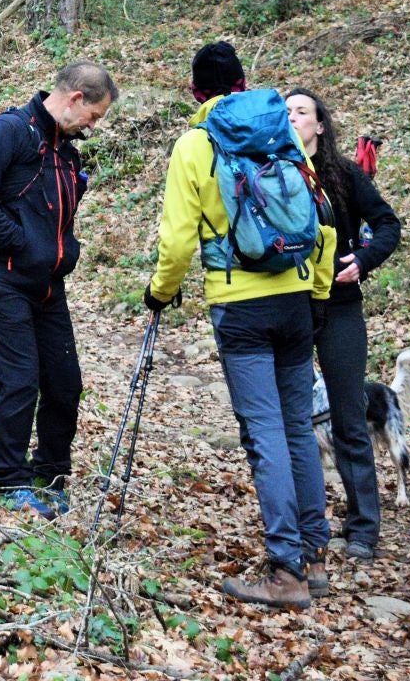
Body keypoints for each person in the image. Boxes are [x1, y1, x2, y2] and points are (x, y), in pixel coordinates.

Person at [144, 42, 335, 609]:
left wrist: (161, 292)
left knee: (264, 433)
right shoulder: (280, 129)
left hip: (241, 306)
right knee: (298, 426)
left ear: (195, 92)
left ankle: (286, 571)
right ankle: (316, 556)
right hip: (298, 296)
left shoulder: (195, 144)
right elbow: (319, 218)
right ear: (244, 82)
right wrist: (317, 291)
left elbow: (178, 240)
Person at [0, 61, 118, 519]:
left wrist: (61, 253)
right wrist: (22, 243)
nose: (93, 125)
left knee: (65, 384)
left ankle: (51, 476)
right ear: (75, 99)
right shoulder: (9, 132)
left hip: (47, 285)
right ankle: (9, 480)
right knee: (21, 380)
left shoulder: (67, 152)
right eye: (95, 115)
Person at [286, 88, 402, 564]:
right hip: (288, 306)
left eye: (301, 112)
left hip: (339, 305)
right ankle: (302, 524)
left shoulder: (346, 174)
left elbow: (388, 224)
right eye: (286, 112)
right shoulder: (272, 172)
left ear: (320, 125)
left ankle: (363, 529)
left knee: (349, 416)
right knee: (293, 422)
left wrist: (365, 259)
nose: (292, 118)